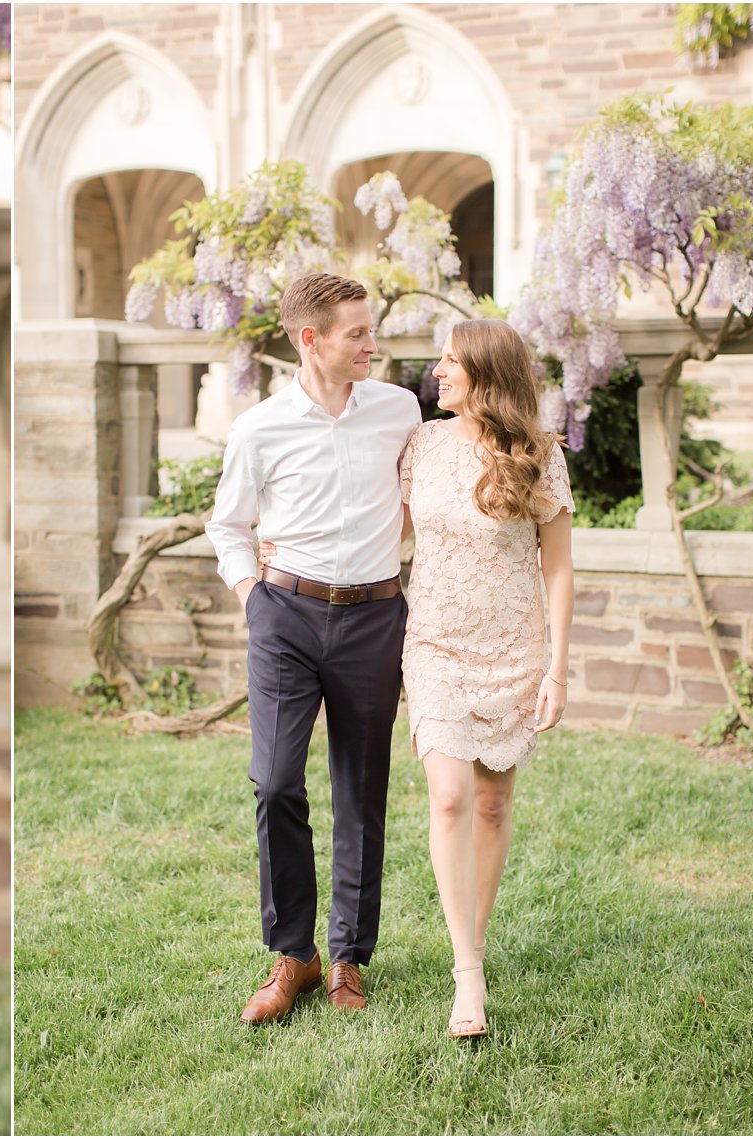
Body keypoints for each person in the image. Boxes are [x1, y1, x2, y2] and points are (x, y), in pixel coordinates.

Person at [205, 272, 422, 1025]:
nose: (372, 344)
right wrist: (252, 601)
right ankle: (291, 953)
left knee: (361, 788)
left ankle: (348, 956)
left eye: (371, 330)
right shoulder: (259, 427)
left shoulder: (399, 410)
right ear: (311, 339)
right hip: (285, 616)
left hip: (373, 617)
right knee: (274, 782)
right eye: (357, 333)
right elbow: (227, 524)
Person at [394, 320, 573, 1037]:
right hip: (434, 639)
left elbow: (557, 565)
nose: (438, 372)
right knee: (449, 796)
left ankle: (474, 939)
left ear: (485, 374)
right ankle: (468, 976)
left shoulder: (539, 456)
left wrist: (557, 666)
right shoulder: (423, 446)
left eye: (450, 362)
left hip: (514, 644)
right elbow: (394, 533)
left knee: (494, 805)